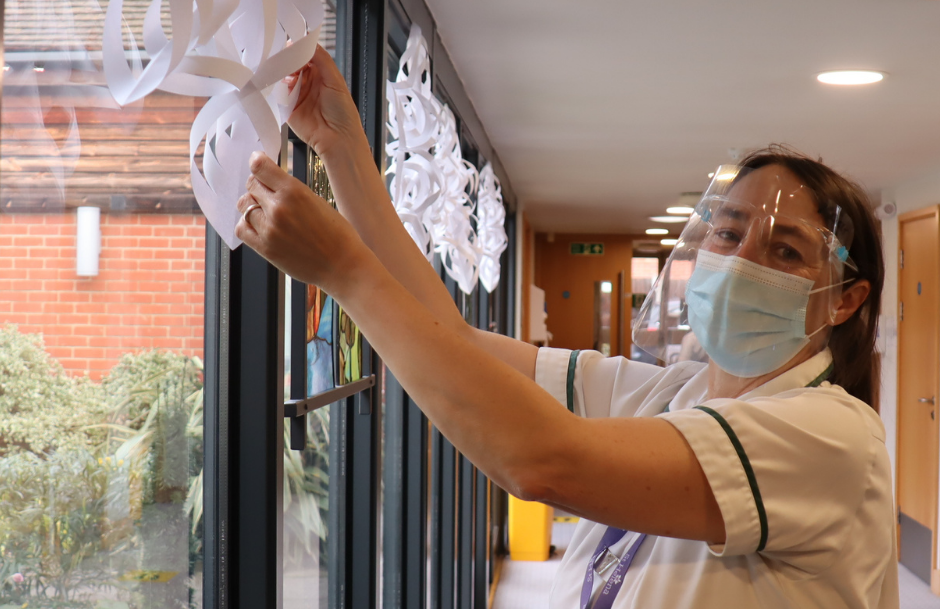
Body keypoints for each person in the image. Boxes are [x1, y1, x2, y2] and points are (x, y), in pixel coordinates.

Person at [235, 47, 898, 608]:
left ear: (845, 300)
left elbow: (545, 462)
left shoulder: (832, 437)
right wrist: (342, 147)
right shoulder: (670, 395)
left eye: (785, 251)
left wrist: (345, 272)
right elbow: (451, 339)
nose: (741, 261)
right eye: (726, 233)